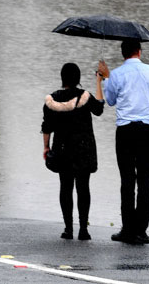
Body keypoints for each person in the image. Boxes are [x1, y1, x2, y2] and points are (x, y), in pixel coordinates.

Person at [98, 38, 149, 245]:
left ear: (123, 53)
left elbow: (110, 101)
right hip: (147, 130)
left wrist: (106, 77)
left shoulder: (116, 74)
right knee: (145, 181)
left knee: (127, 180)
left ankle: (127, 229)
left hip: (126, 131)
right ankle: (141, 231)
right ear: (139, 51)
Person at [41, 62, 105, 240]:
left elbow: (47, 127)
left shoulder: (52, 100)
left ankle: (68, 229)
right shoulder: (84, 96)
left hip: (62, 149)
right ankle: (83, 229)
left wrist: (46, 147)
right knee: (83, 187)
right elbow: (99, 109)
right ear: (78, 79)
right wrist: (99, 82)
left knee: (65, 187)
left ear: (62, 78)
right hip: (83, 149)